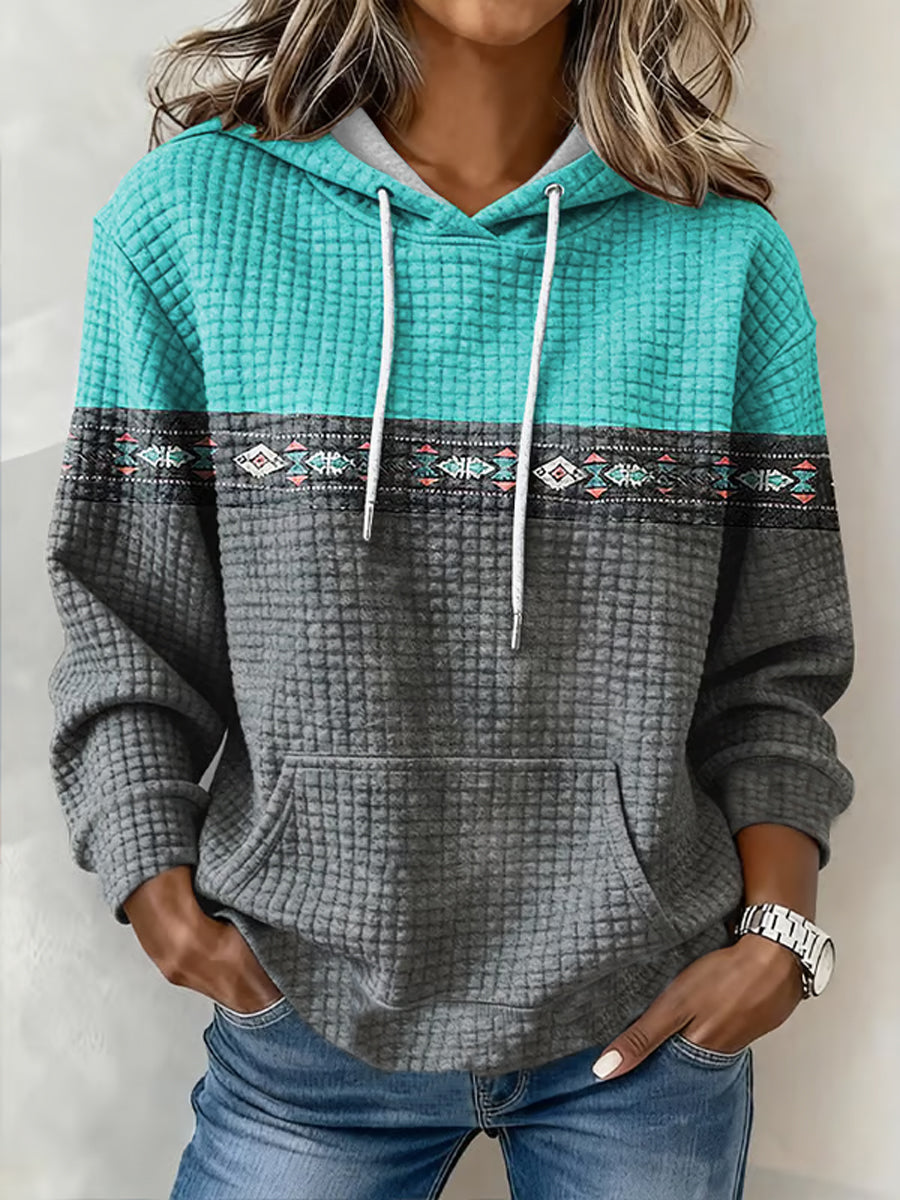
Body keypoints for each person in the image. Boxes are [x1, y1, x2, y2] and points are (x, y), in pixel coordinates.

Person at [44, 1, 856, 1197]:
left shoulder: (722, 253)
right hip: (304, 1016)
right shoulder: (191, 221)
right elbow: (123, 610)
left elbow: (774, 665)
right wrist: (149, 879)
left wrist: (781, 938)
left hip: (646, 1025)